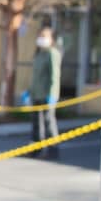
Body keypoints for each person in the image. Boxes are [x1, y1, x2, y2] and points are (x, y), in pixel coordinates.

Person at [29, 25, 63, 159]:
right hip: (36, 93)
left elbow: (55, 75)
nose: (41, 39)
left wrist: (53, 94)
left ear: (51, 38)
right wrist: (29, 92)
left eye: (44, 36)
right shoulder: (38, 54)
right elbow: (35, 76)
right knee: (36, 123)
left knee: (49, 122)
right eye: (40, 36)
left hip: (47, 94)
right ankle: (36, 149)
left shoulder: (52, 53)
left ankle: (53, 149)